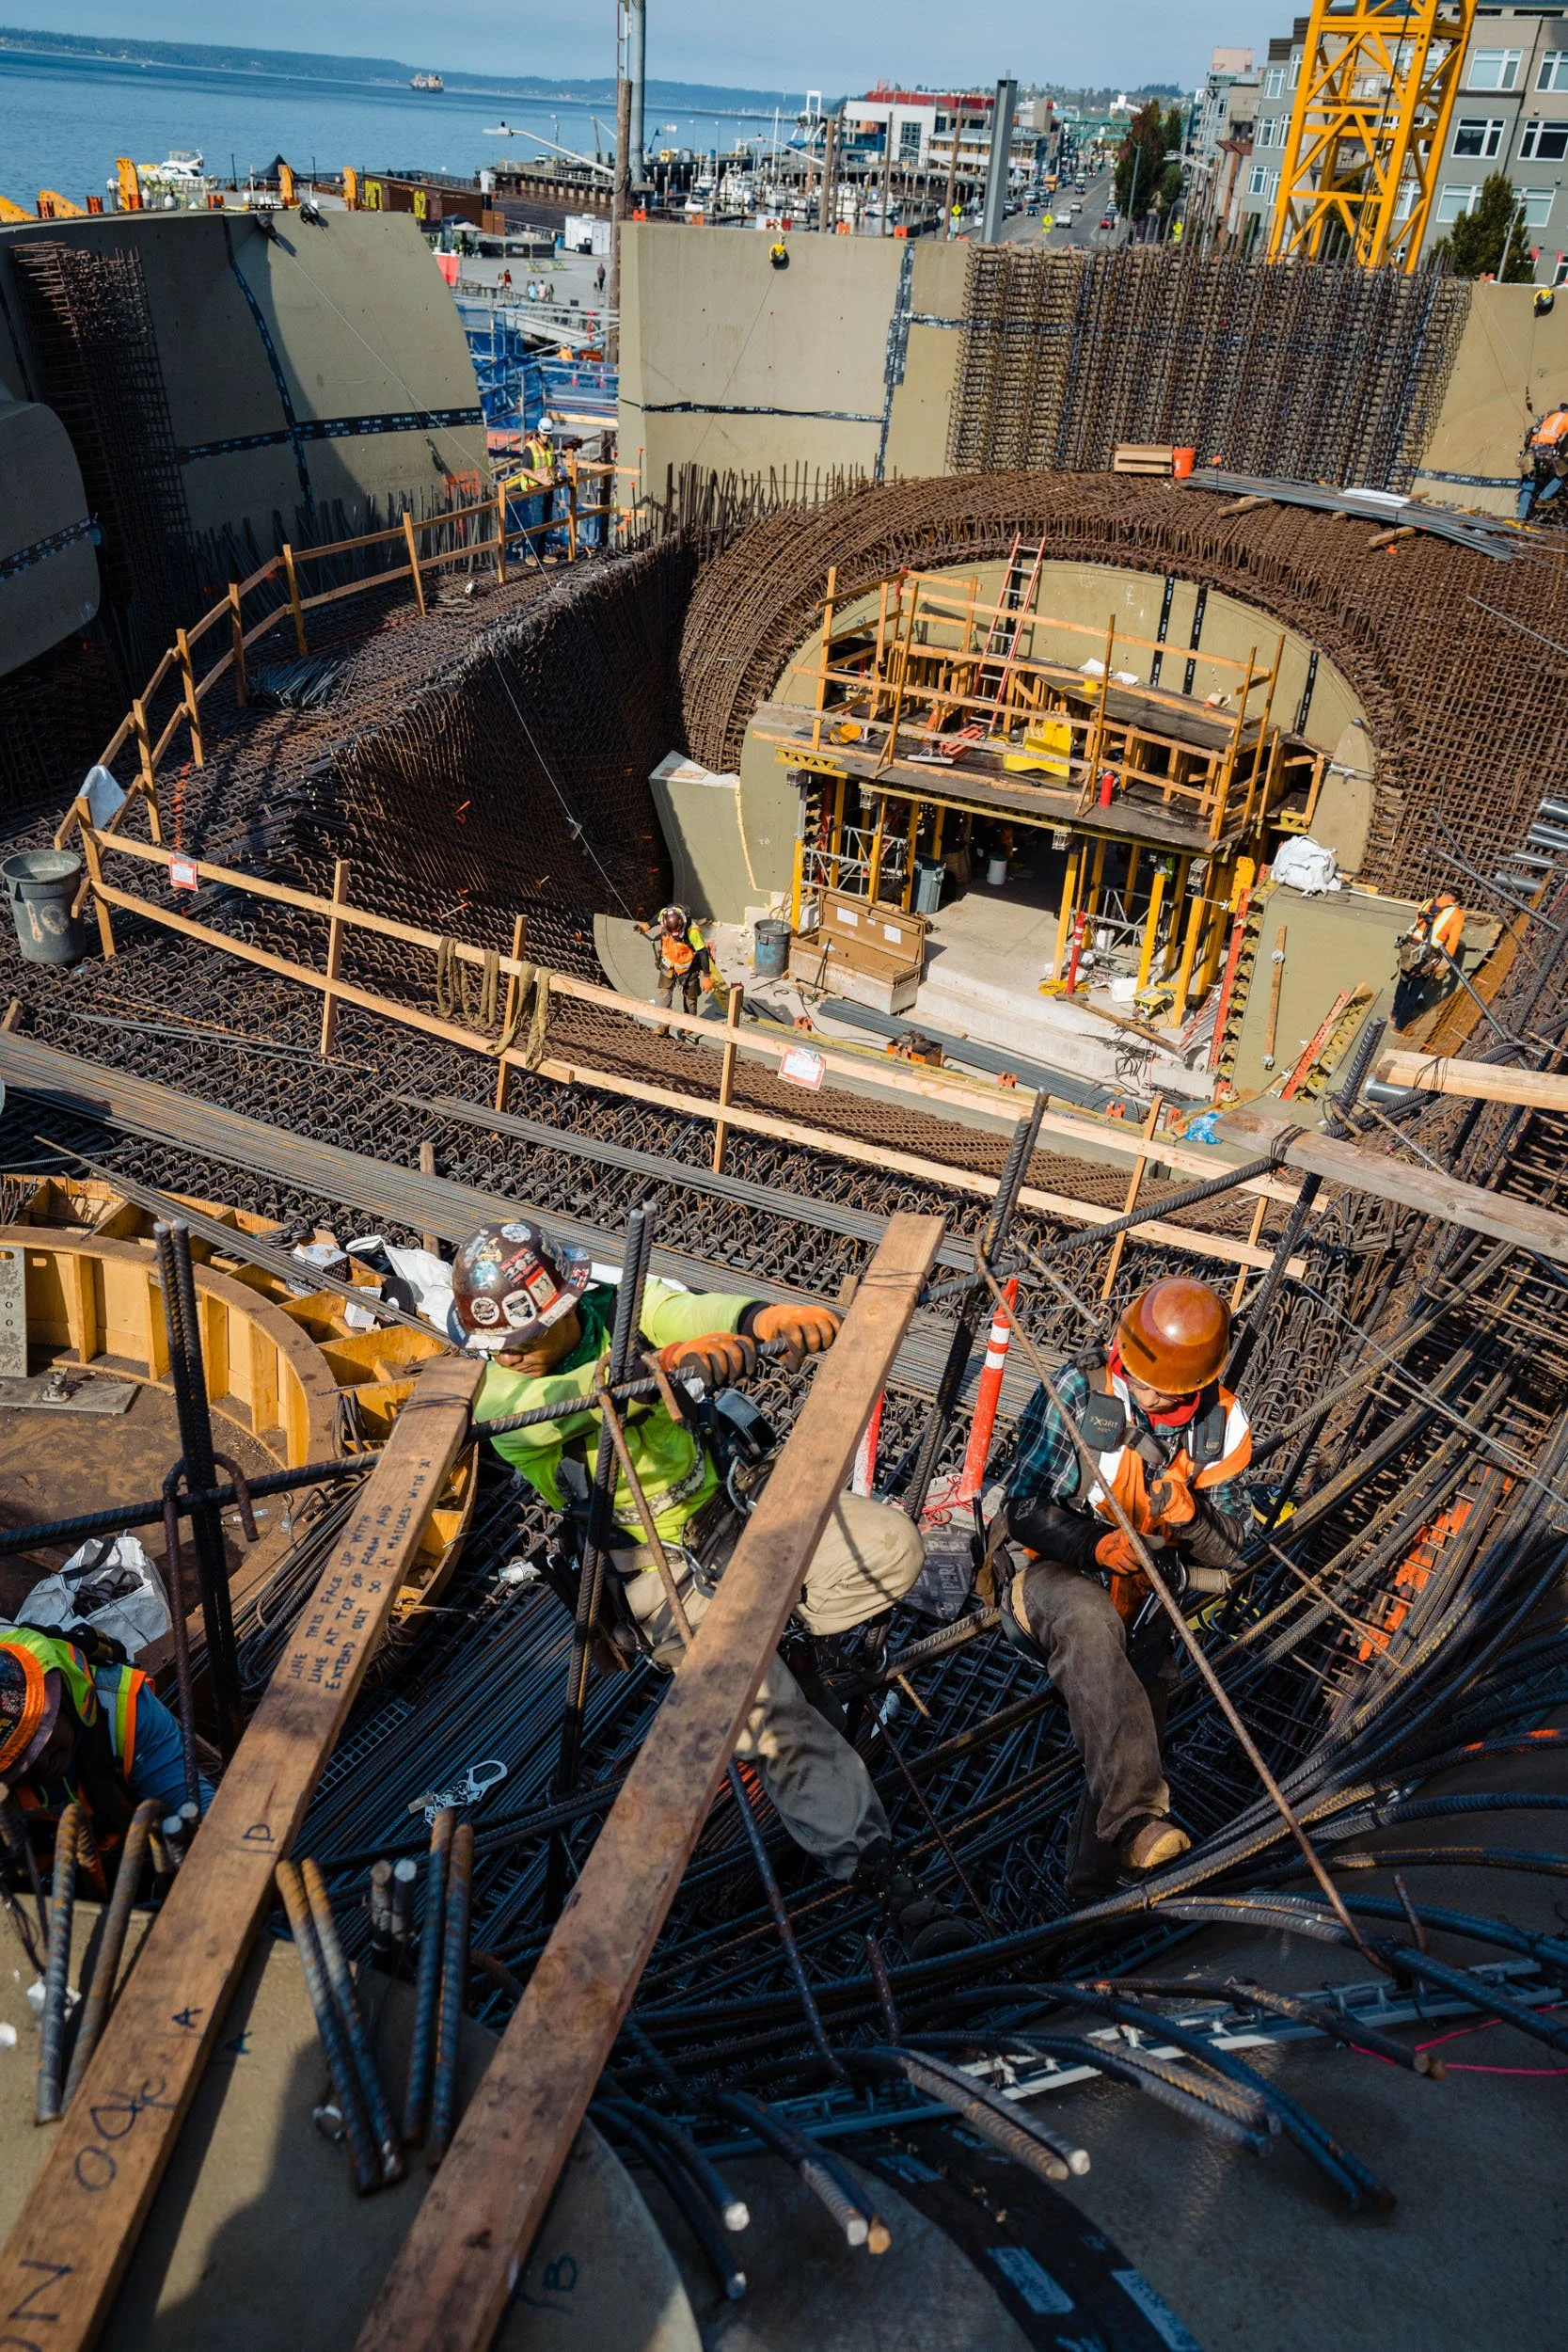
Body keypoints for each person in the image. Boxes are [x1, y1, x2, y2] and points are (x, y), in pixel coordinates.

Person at [452, 1221, 973, 1957]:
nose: (506, 1352)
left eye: (522, 1337)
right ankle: (885, 1878)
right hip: (652, 1568)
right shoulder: (501, 1397)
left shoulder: (611, 1302)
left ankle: (782, 1632)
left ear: (567, 1305)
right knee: (773, 1717)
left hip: (735, 1504)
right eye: (497, 1343)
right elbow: (570, 1401)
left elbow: (681, 1309)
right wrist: (663, 1366)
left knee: (891, 1549)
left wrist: (757, 1321)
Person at [996, 1279, 1251, 1894]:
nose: (1139, 1391)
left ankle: (1093, 1886)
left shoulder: (1220, 1424)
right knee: (1089, 1623)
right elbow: (1024, 1506)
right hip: (1046, 1574)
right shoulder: (1081, 1391)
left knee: (1135, 1696)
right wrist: (1092, 1544)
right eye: (1134, 1377)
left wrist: (1192, 1519)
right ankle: (1138, 1821)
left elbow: (1234, 1549)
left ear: (1192, 1386)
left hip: (1141, 1595)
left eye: (1156, 1390)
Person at [0, 1626, 209, 1860]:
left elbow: (196, 1805)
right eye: (19, 1759)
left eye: (41, 1738)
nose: (40, 1761)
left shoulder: (123, 1707)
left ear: (61, 1701)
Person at [1392, 889, 1465, 1031]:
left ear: (1443, 893)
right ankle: (1400, 1026)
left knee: (1403, 981)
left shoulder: (1427, 902)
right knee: (1415, 990)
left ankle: (1394, 1014)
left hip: (1408, 948)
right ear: (1457, 902)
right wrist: (1443, 965)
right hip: (1427, 955)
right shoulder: (1457, 915)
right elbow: (1452, 943)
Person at [636, 904, 725, 1015]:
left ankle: (689, 1023)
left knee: (690, 998)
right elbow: (659, 915)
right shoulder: (664, 915)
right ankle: (664, 1024)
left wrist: (706, 977)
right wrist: (647, 925)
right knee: (665, 992)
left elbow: (702, 953)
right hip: (668, 964)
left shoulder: (692, 931)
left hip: (689, 968)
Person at [1518, 402, 1568, 520]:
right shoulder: (1565, 417)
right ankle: (1544, 498)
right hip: (1545, 451)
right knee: (1562, 473)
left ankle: (1520, 516)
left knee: (1529, 483)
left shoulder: (1546, 418)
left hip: (1530, 451)